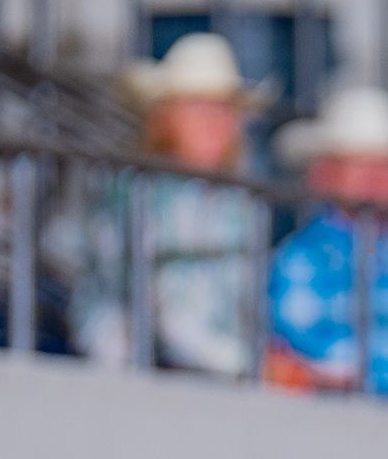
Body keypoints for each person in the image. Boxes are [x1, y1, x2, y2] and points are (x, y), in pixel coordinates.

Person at [69, 33, 269, 377]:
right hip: (146, 373)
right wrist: (246, 365)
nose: (213, 121)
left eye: (224, 108)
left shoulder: (239, 202)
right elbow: (165, 312)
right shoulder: (137, 192)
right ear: (164, 119)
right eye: (196, 106)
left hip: (218, 373)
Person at [265, 86, 388, 405]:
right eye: (360, 164)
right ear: (324, 174)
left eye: (387, 165)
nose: (376, 179)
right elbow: (319, 360)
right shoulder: (300, 261)